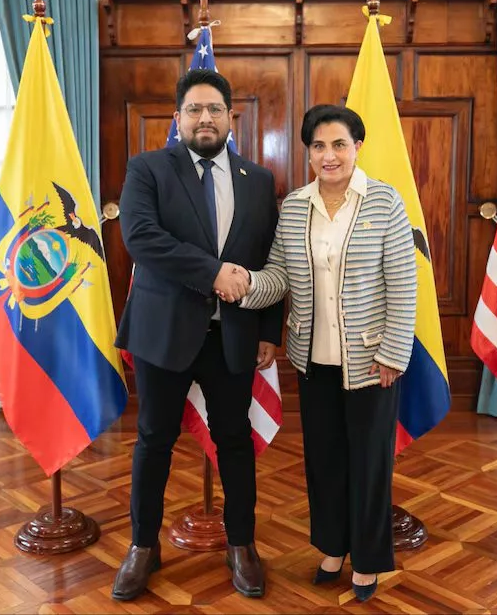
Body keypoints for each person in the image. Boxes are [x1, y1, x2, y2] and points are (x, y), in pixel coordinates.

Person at [227, 104, 417, 602]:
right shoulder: (294, 206)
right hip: (312, 360)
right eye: (318, 146)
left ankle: (368, 560)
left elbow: (403, 283)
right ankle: (333, 548)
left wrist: (394, 352)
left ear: (358, 147)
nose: (329, 155)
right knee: (324, 460)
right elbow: (279, 275)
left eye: (339, 144)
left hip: (372, 361)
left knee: (370, 464)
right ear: (308, 152)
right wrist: (243, 284)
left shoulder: (385, 201)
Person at [112, 69, 283, 601]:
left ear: (231, 117)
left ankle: (242, 544)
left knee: (234, 441)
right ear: (178, 118)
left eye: (214, 109)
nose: (204, 118)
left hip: (233, 335)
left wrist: (269, 331)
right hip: (163, 333)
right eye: (194, 109)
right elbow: (142, 238)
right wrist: (212, 273)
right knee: (154, 440)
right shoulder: (147, 169)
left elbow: (271, 258)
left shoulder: (259, 180)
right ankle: (143, 546)